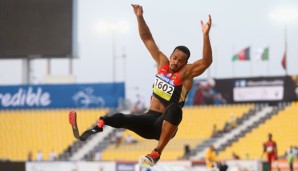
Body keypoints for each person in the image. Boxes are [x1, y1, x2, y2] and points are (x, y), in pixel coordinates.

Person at [69, 4, 212, 166]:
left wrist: (206, 35)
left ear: (185, 63)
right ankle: (100, 124)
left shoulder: (186, 74)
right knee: (123, 117)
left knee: (175, 108)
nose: (176, 62)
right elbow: (147, 38)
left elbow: (206, 62)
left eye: (180, 60)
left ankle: (156, 153)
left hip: (165, 125)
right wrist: (139, 17)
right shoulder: (162, 62)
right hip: (148, 119)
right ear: (170, 56)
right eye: (174, 58)